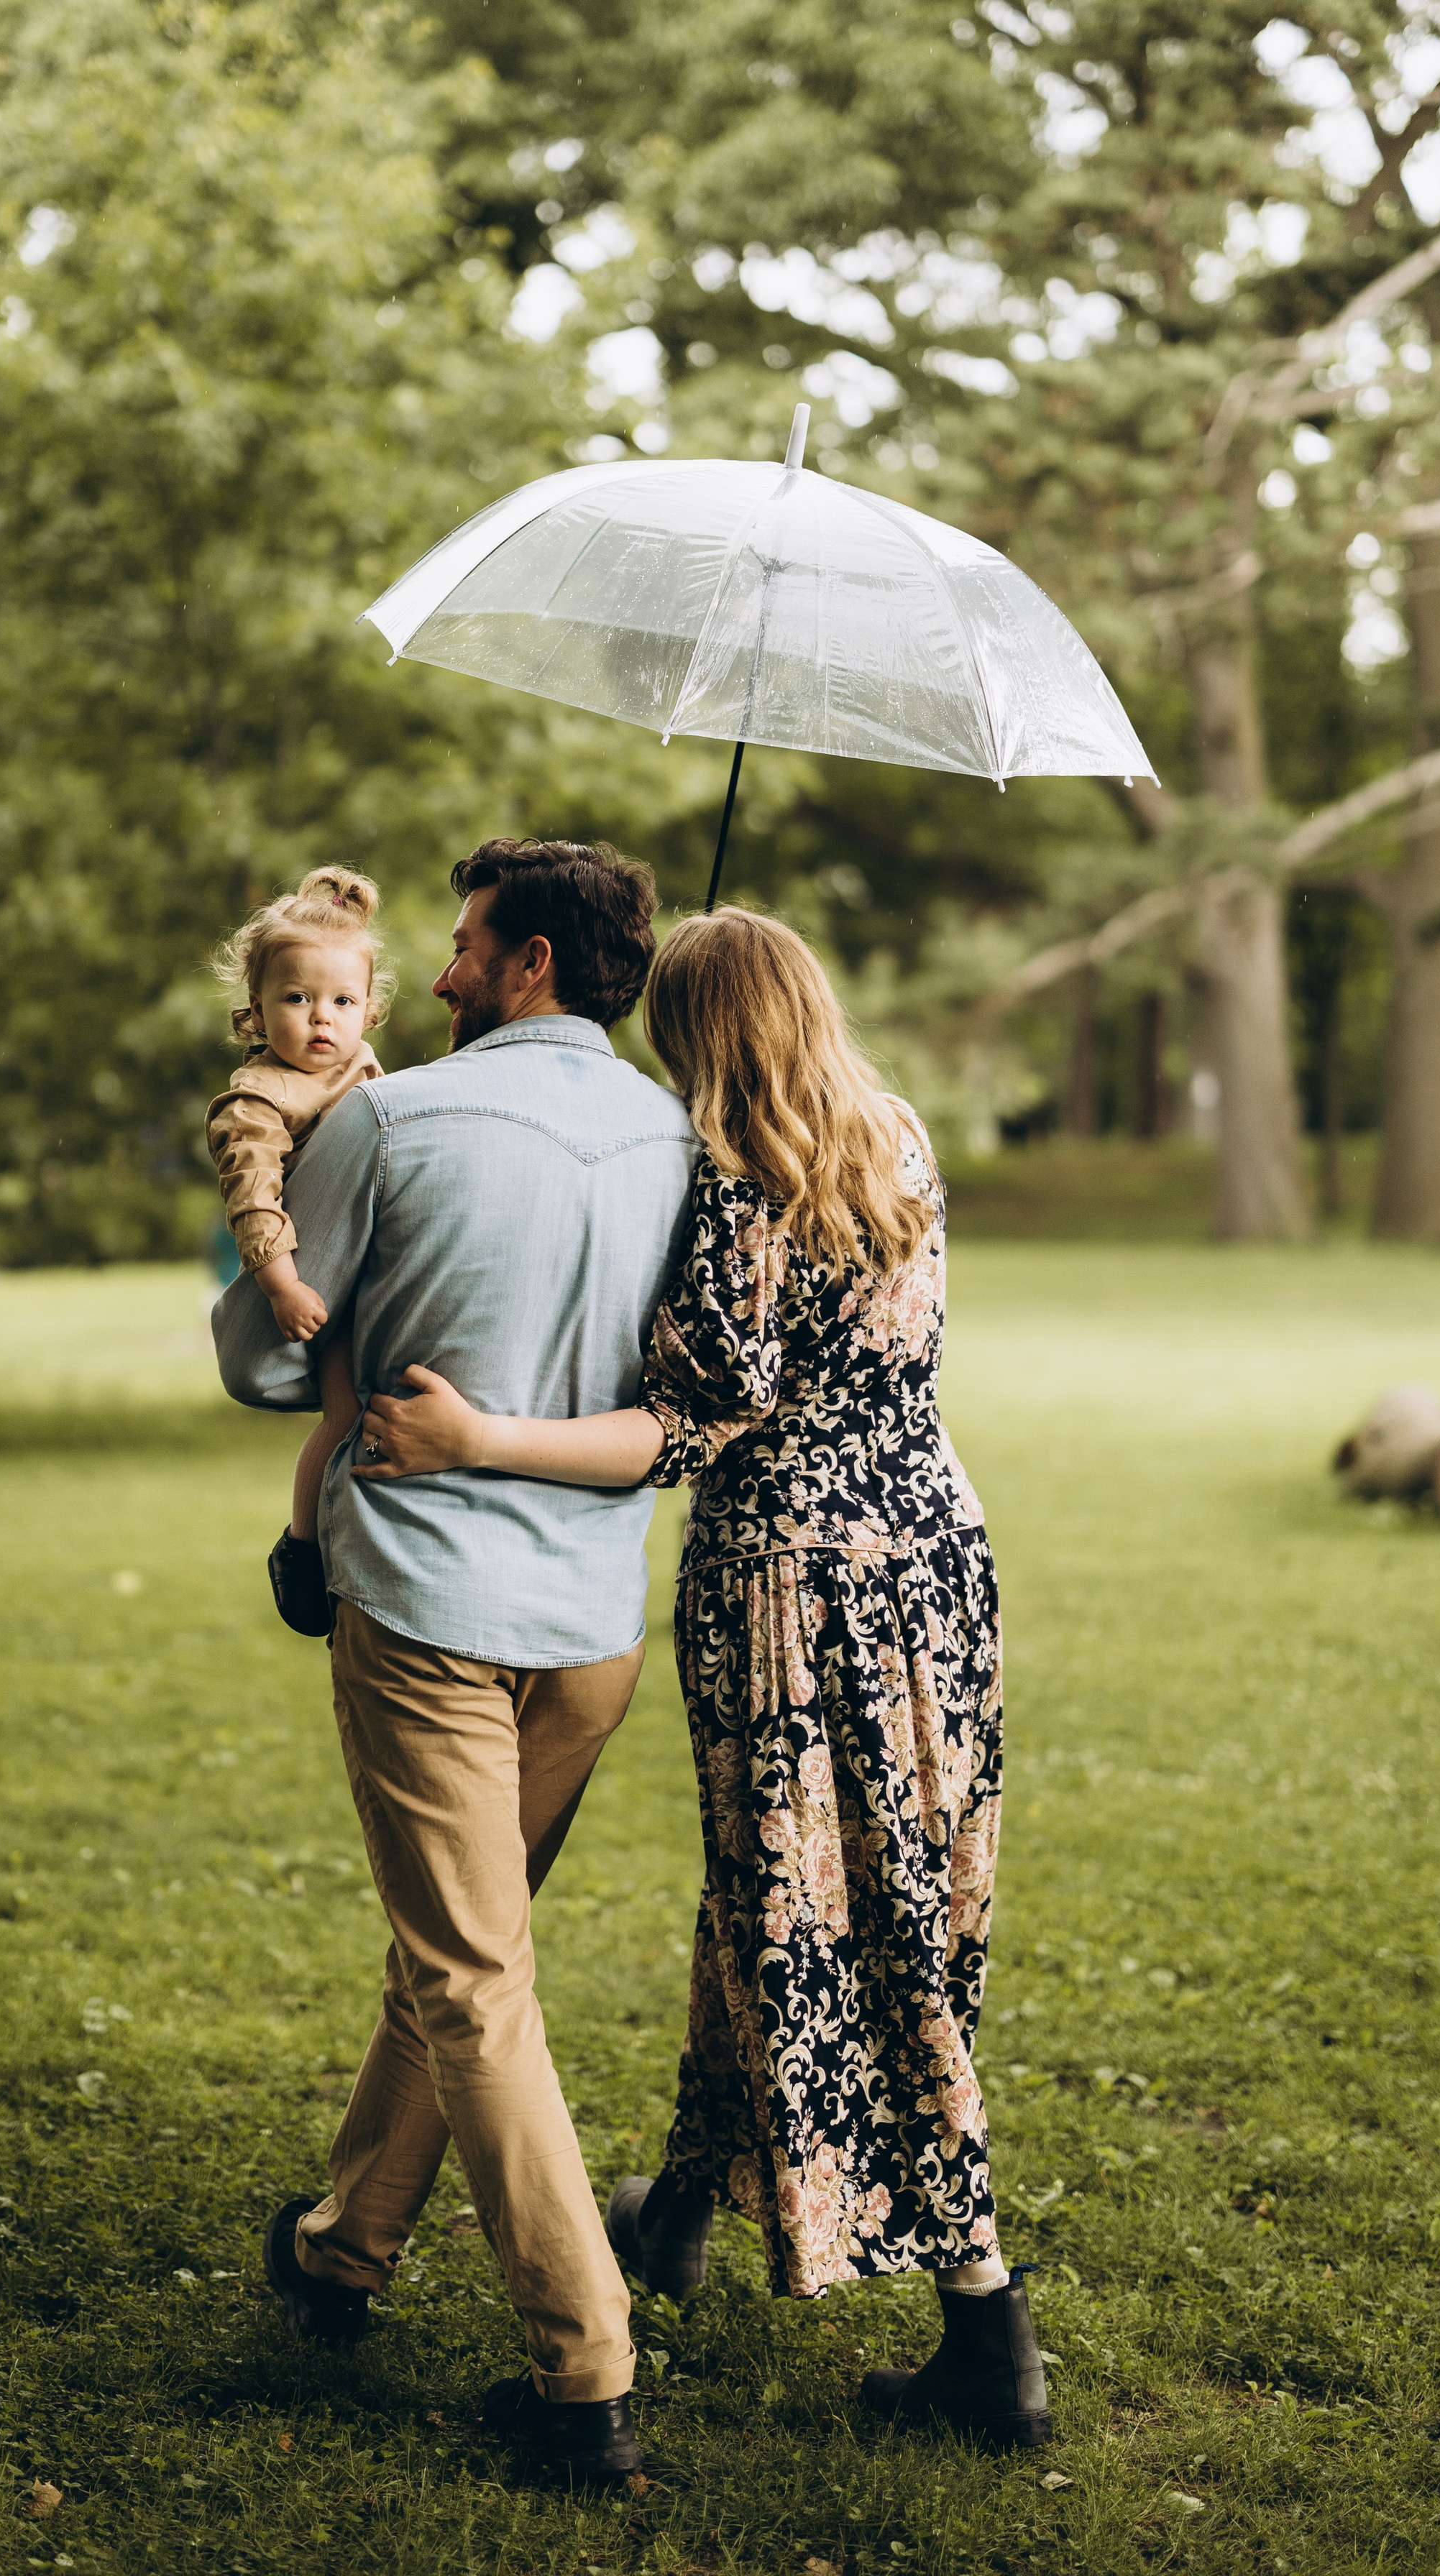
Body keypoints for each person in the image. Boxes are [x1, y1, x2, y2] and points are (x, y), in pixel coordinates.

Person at [354, 906, 1050, 2452]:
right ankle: (677, 2208)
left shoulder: (732, 1182)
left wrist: (482, 1437)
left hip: (793, 1591)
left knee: (843, 1931)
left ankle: (986, 2331)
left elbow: (690, 1422)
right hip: (936, 1555)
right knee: (777, 1895)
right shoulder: (893, 1134)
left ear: (694, 1032)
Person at [211, 838, 698, 2485]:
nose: (432, 972)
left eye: (466, 943)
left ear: (535, 961)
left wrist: (311, 1312)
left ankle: (583, 2375)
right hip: (591, 1629)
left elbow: (264, 1357)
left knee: (473, 1979)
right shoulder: (677, 1135)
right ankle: (345, 2240)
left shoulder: (390, 1117)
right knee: (460, 1950)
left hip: (426, 1610)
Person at [205, 867, 391, 1635]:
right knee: (345, 1415)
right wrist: (282, 1285)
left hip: (387, 1270)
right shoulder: (259, 1096)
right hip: (322, 1284)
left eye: (342, 1001)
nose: (323, 1019)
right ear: (255, 1010)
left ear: (369, 1009)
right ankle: (305, 1548)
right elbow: (253, 1199)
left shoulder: (371, 1071)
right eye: (297, 999)